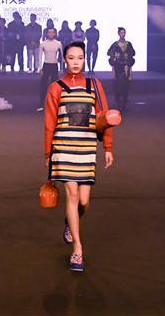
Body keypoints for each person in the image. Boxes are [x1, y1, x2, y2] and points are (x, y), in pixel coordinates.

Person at [44, 41, 115, 272]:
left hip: (86, 149)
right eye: (71, 58)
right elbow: (50, 123)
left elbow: (105, 117)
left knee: (83, 201)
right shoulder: (56, 87)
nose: (76, 62)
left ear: (85, 59)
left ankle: (70, 220)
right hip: (63, 147)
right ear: (64, 59)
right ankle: (77, 249)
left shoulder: (94, 85)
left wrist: (108, 147)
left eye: (80, 58)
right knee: (72, 195)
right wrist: (48, 153)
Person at [107, 28, 136, 113]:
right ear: (118, 34)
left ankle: (124, 103)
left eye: (124, 33)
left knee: (126, 85)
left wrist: (128, 58)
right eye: (121, 33)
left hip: (126, 67)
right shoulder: (115, 44)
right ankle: (119, 104)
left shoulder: (128, 44)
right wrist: (115, 56)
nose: (123, 34)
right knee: (118, 85)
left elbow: (133, 53)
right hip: (118, 66)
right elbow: (109, 53)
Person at [37, 27, 63, 111]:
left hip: (54, 66)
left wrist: (61, 69)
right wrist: (40, 68)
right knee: (43, 85)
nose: (51, 34)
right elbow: (40, 56)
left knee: (54, 86)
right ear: (47, 34)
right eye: (49, 32)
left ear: (55, 33)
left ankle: (54, 105)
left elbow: (61, 57)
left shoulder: (58, 43)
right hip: (46, 66)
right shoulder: (43, 43)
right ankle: (41, 104)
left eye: (52, 32)